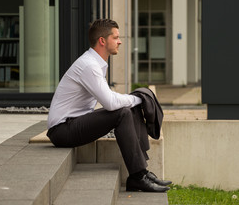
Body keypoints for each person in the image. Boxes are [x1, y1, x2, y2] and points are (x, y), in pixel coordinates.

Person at [47, 19, 171, 192]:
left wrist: (135, 99)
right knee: (122, 112)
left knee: (128, 108)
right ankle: (138, 176)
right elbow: (110, 103)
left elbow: (111, 100)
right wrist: (139, 98)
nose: (120, 41)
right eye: (116, 37)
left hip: (73, 123)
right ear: (102, 41)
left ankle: (142, 172)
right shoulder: (89, 65)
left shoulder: (94, 63)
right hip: (62, 130)